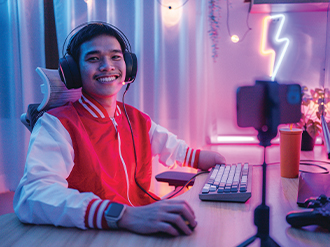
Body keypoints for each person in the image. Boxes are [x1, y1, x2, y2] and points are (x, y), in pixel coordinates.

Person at [13, 23, 226, 236]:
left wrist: (205, 159)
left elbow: (176, 149)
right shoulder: (56, 124)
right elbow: (32, 194)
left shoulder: (137, 119)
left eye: (115, 56)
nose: (107, 66)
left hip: (144, 225)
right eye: (93, 58)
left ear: (128, 66)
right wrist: (123, 215)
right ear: (74, 71)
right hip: (100, 233)